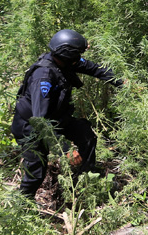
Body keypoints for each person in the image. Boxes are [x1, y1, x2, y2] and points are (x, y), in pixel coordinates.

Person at [12, 29, 123, 199]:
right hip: (32, 127)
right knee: (36, 172)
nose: (80, 57)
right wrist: (65, 149)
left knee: (85, 134)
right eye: (78, 53)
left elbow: (95, 69)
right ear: (68, 54)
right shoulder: (44, 76)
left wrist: (124, 82)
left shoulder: (65, 61)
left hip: (54, 119)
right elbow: (39, 120)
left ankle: (86, 180)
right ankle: (22, 205)